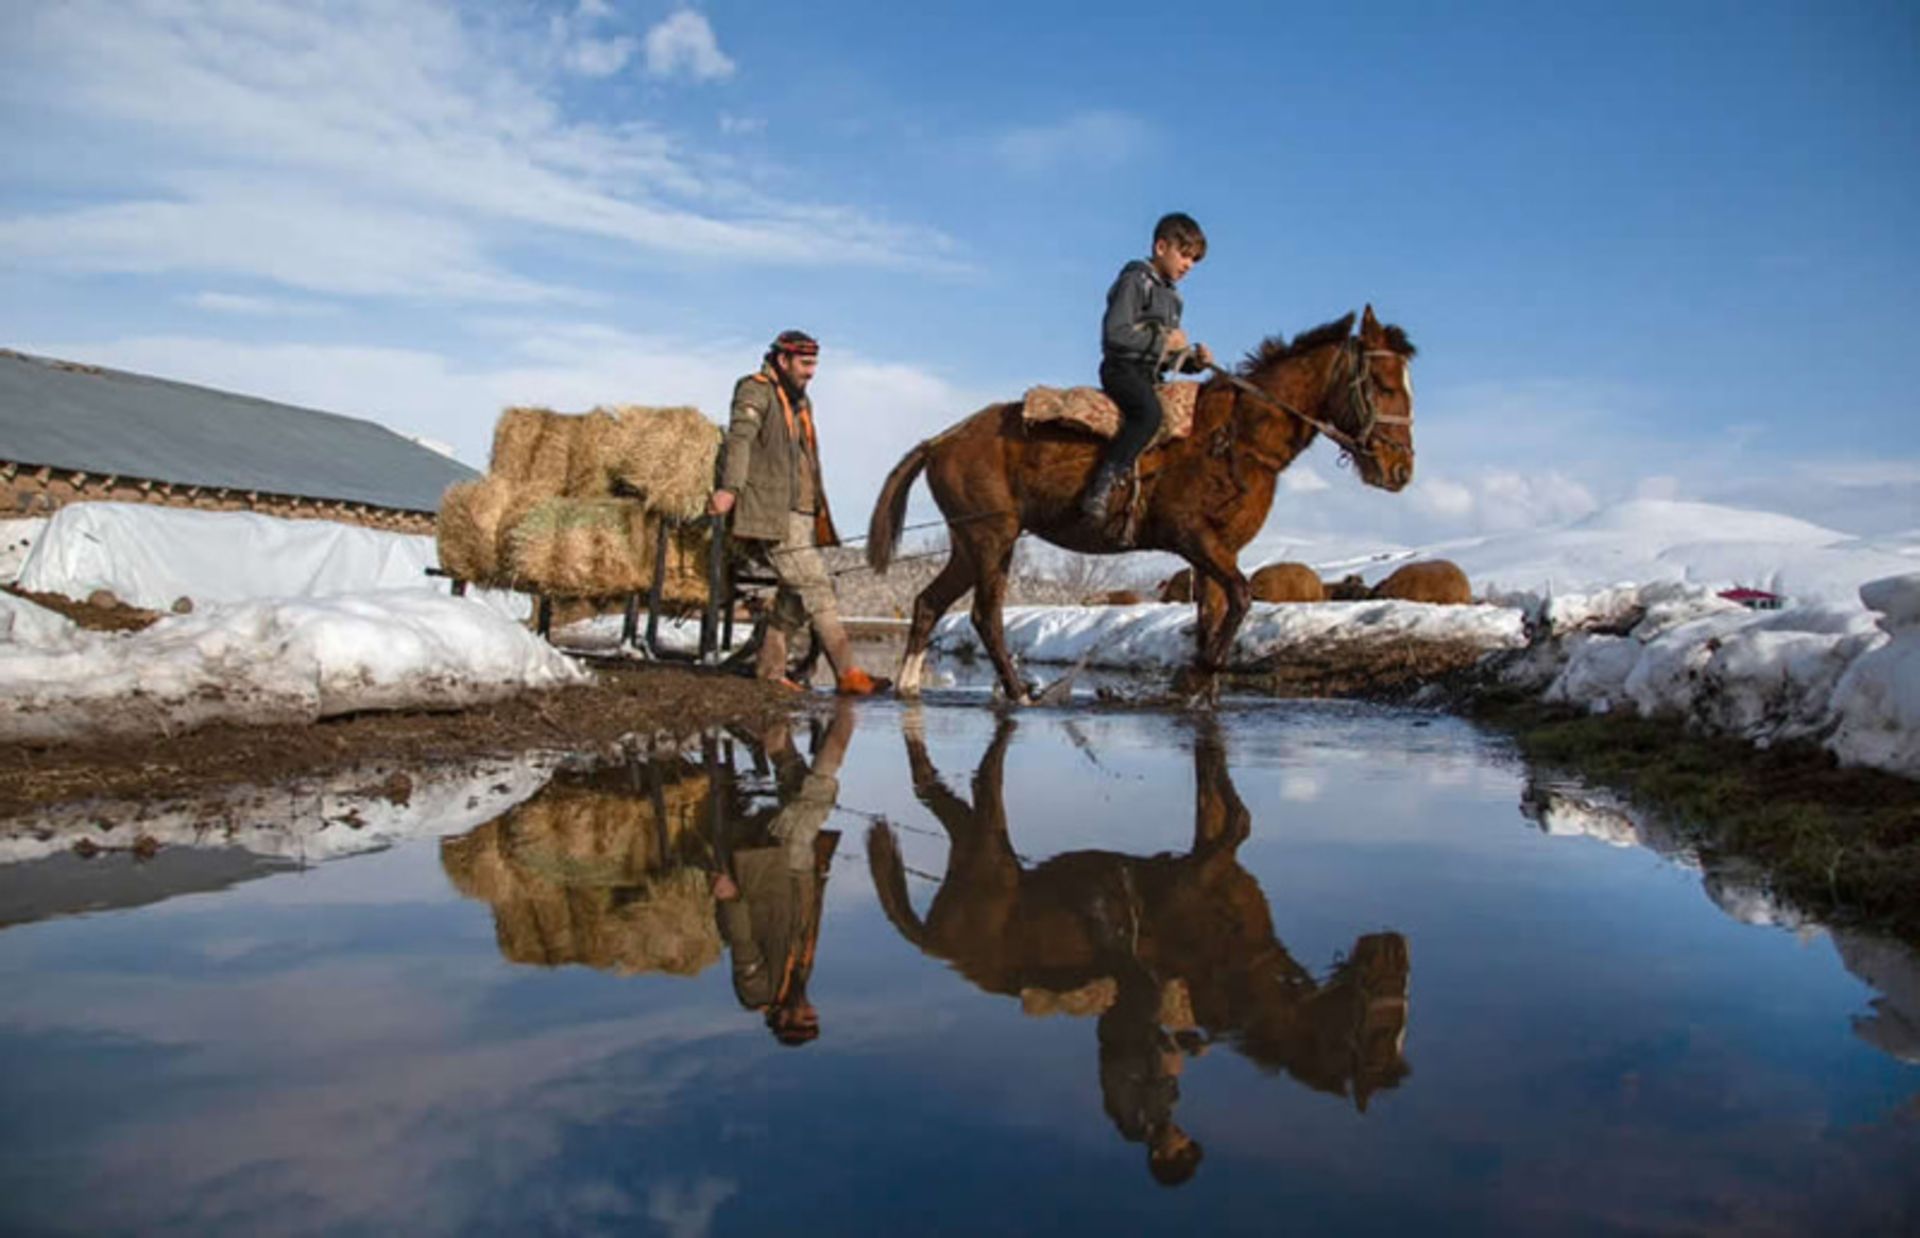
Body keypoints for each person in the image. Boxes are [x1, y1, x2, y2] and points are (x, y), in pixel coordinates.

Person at [709, 330, 887, 694]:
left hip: (804, 512)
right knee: (815, 586)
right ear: (782, 359)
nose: (811, 372)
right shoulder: (755, 390)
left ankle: (770, 671)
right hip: (773, 511)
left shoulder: (801, 402)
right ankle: (848, 673)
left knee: (794, 594)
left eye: (814, 364)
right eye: (805, 364)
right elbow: (739, 440)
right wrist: (729, 489)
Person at [710, 701, 856, 1045]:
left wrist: (730, 899)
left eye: (805, 1016)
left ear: (783, 1019)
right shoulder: (800, 977)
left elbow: (742, 944)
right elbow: (803, 927)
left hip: (774, 875)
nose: (810, 1008)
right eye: (812, 1015)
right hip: (800, 875)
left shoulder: (757, 994)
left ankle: (846, 718)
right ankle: (772, 728)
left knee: (816, 797)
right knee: (797, 785)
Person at [1080, 213, 1214, 523]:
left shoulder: (1174, 299)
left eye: (1194, 259)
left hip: (1150, 373)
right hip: (1122, 368)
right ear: (1160, 247)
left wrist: (1193, 361)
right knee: (1149, 414)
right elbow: (1116, 333)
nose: (1189, 265)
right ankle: (1104, 482)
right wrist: (1164, 339)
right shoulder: (1135, 281)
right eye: (1184, 255)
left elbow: (1165, 355)